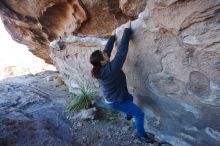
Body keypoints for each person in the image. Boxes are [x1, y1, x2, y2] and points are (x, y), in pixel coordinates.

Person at [89, 20, 154, 143]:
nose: (105, 53)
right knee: (139, 114)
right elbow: (122, 51)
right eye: (103, 54)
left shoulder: (100, 66)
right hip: (115, 101)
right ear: (103, 61)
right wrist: (127, 30)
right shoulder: (111, 69)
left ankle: (128, 113)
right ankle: (142, 136)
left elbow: (107, 51)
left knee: (129, 98)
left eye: (103, 53)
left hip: (117, 95)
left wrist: (112, 37)